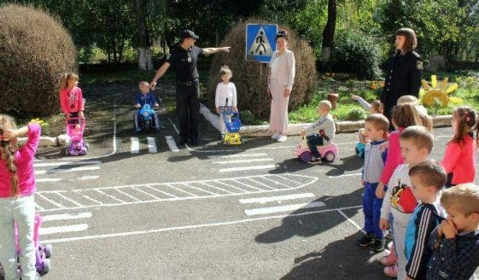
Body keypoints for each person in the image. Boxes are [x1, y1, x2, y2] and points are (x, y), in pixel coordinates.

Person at [150, 30, 230, 146]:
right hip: (181, 87)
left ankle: (194, 137)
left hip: (194, 86)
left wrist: (221, 48)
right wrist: (154, 80)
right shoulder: (175, 52)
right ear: (187, 39)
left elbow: (208, 50)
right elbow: (164, 67)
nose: (195, 40)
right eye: (193, 38)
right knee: (182, 114)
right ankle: (183, 137)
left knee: (195, 114)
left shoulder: (195, 49)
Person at [379, 126, 434, 279]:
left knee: (415, 262)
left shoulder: (430, 178)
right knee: (402, 259)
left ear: (423, 152)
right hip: (398, 225)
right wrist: (384, 215)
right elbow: (390, 193)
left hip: (417, 231)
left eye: (407, 150)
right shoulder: (399, 170)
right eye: (401, 148)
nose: (402, 153)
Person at [0, 115, 41, 280]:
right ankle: (29, 276)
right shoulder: (26, 154)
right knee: (27, 244)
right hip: (24, 203)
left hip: (2, 205)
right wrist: (19, 131)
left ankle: (11, 277)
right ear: (14, 137)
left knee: (6, 247)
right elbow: (36, 128)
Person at [404, 160, 447, 280]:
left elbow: (421, 248)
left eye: (414, 186)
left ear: (429, 189)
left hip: (421, 268)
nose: (411, 188)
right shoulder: (439, 201)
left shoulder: (427, 213)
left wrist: (411, 275)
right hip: (429, 264)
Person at [426, 183, 479, 280]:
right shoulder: (452, 227)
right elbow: (431, 244)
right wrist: (439, 230)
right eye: (447, 213)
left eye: (452, 215)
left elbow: (452, 266)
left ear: (473, 217)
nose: (447, 218)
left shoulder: (475, 245)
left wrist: (450, 238)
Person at [357, 114, 389, 252]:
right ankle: (369, 232)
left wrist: (384, 186)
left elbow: (388, 168)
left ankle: (380, 236)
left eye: (369, 129)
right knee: (367, 209)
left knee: (378, 213)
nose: (366, 132)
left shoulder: (385, 148)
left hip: (379, 187)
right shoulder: (369, 146)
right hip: (369, 185)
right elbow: (366, 162)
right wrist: (364, 175)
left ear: (380, 132)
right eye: (366, 128)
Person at [380, 28, 423, 128]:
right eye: (396, 38)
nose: (396, 41)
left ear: (408, 40)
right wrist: (383, 101)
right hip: (390, 101)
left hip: (403, 103)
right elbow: (388, 81)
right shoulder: (395, 57)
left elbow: (415, 83)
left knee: (402, 130)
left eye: (400, 38)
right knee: (390, 130)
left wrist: (412, 104)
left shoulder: (415, 59)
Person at [268, 30, 296, 142]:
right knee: (274, 108)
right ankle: (277, 131)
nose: (280, 44)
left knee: (282, 109)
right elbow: (270, 71)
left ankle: (284, 133)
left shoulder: (289, 54)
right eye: (278, 42)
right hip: (273, 84)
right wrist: (268, 84)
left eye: (282, 41)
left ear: (286, 42)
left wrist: (289, 86)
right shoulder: (274, 54)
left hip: (284, 85)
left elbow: (291, 71)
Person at [441, 106, 478, 188]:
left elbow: (447, 166)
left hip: (453, 183)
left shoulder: (456, 143)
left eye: (453, 119)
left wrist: (437, 166)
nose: (451, 121)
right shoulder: (472, 140)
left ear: (458, 123)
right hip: (467, 182)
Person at [215, 66, 237, 139]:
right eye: (223, 76)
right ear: (221, 77)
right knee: (222, 118)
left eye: (226, 76)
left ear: (230, 75)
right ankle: (222, 132)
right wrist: (217, 106)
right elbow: (217, 96)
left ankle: (228, 132)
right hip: (222, 105)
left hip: (230, 105)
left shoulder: (232, 85)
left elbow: (234, 96)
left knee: (229, 118)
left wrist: (235, 105)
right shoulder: (219, 85)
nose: (225, 77)